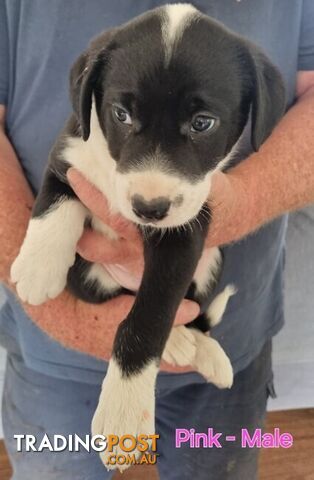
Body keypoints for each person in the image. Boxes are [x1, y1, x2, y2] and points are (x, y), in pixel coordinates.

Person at [0, 1, 313, 478]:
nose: (150, 191)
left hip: (232, 350)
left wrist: (244, 199)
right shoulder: (87, 123)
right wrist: (59, 309)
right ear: (92, 96)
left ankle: (190, 334)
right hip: (52, 360)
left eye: (201, 123)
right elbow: (65, 175)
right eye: (124, 115)